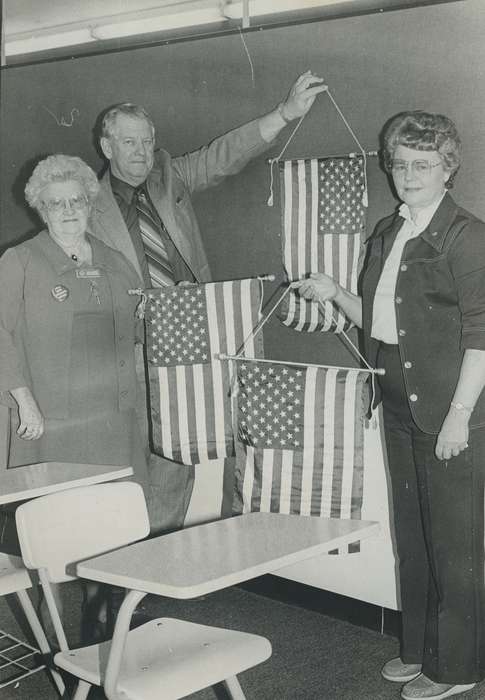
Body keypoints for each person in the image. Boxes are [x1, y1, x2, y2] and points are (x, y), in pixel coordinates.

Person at [292, 111, 485, 700]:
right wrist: (334, 294)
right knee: (414, 533)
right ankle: (420, 648)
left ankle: (458, 668)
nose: (408, 174)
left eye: (422, 164)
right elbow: (381, 320)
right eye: (399, 163)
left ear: (447, 168)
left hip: (451, 409)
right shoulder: (387, 230)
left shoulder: (466, 234)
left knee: (454, 542)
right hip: (398, 397)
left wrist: (458, 416)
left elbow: (482, 332)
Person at [90, 71, 327, 534]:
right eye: (129, 143)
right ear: (107, 147)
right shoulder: (86, 203)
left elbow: (225, 155)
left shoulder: (168, 176)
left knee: (203, 450)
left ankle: (174, 567)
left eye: (147, 141)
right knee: (145, 464)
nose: (140, 153)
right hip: (134, 348)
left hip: (200, 335)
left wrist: (285, 112)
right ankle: (123, 577)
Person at [0, 154, 150, 640]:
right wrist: (22, 399)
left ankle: (101, 626)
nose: (68, 211)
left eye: (77, 201)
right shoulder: (19, 262)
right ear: (41, 210)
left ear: (90, 205)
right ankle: (55, 639)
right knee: (55, 534)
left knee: (109, 527)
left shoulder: (116, 261)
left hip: (110, 421)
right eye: (56, 203)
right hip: (52, 425)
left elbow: (140, 327)